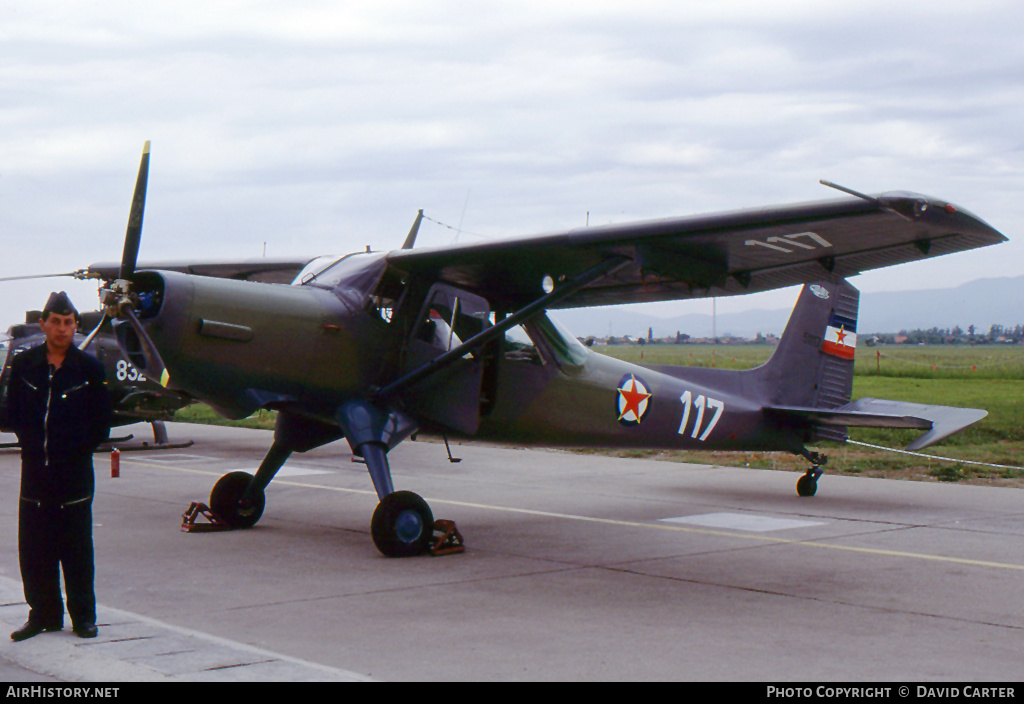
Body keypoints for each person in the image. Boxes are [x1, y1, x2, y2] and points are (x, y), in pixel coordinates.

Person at [7, 292, 112, 641]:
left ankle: (83, 617)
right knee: (35, 549)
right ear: (44, 324)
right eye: (55, 322)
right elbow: (11, 413)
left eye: (68, 323)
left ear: (75, 326)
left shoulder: (90, 369)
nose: (62, 329)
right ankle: (43, 615)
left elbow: (101, 424)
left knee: (77, 548)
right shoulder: (24, 366)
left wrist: (77, 450)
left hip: (74, 474)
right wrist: (31, 445)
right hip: (35, 471)